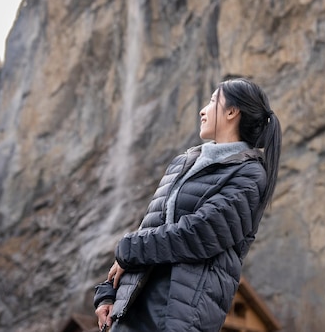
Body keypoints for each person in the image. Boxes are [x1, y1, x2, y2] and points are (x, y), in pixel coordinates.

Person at [94, 78, 282, 331]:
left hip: (179, 316)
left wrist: (128, 249)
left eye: (213, 101)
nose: (203, 109)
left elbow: (199, 233)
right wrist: (108, 294)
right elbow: (148, 228)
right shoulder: (182, 164)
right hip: (133, 308)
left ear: (232, 112)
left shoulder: (249, 175)